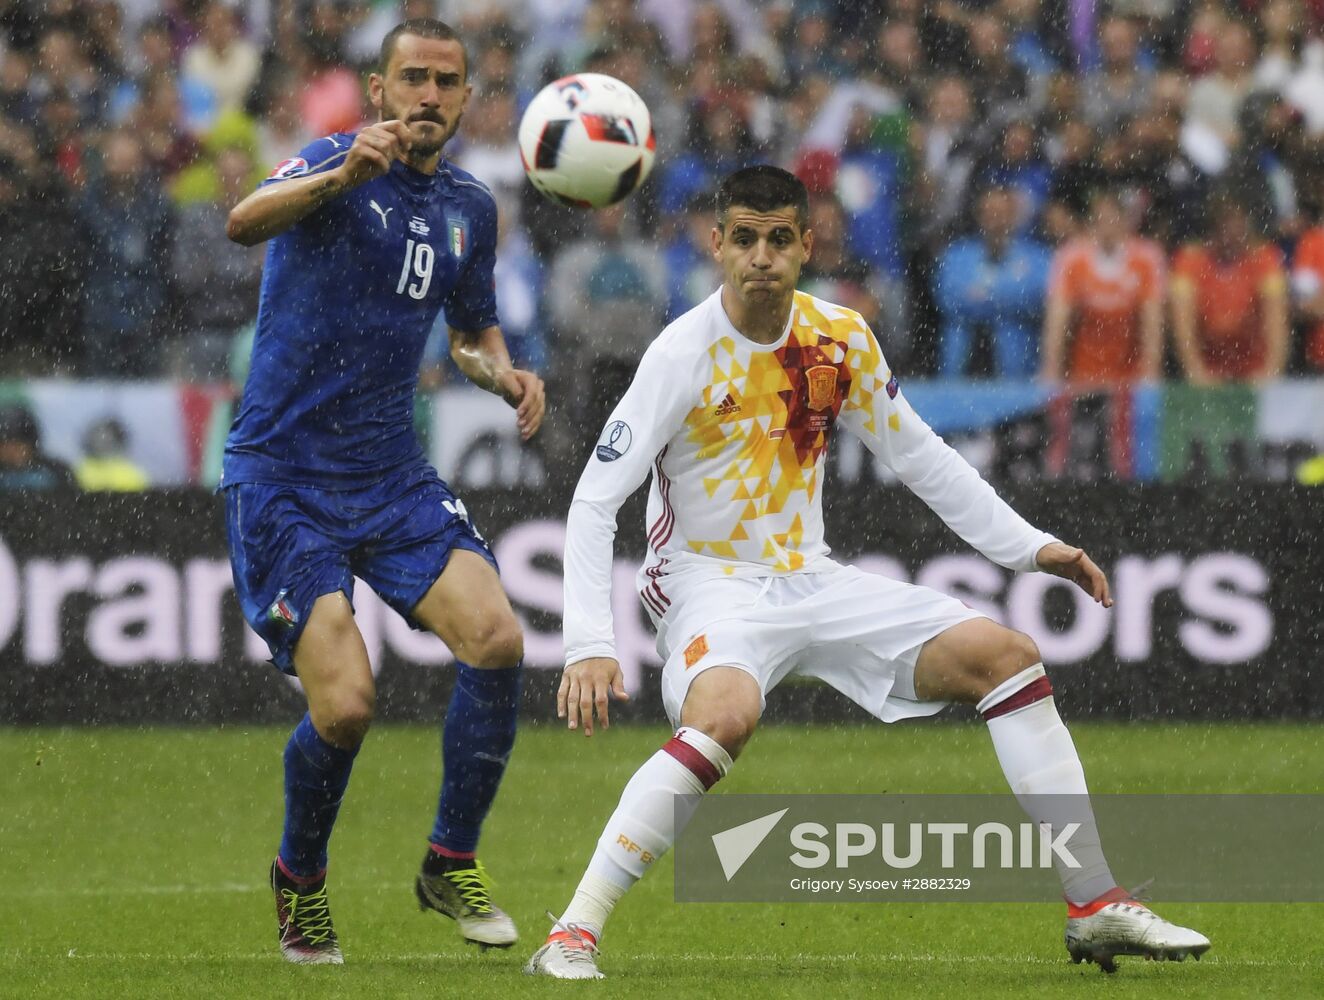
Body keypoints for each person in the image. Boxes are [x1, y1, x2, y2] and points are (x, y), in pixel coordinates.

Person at [525, 166, 1209, 980]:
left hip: (810, 579)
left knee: (1009, 656)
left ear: (808, 245)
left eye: (780, 239)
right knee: (726, 714)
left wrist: (1030, 548)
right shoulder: (682, 353)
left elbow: (920, 457)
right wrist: (588, 643)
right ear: (716, 245)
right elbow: (596, 498)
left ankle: (1095, 904)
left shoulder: (839, 337)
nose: (761, 257)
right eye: (744, 238)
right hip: (708, 586)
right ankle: (572, 933)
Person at [222, 19, 545, 966]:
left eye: (448, 82)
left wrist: (505, 376)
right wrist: (339, 178)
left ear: (467, 97)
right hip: (282, 476)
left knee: (498, 638)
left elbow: (471, 333)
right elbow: (243, 221)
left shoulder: (469, 209)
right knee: (348, 706)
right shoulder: (333, 162)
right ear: (378, 88)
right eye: (413, 78)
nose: (429, 96)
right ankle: (301, 877)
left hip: (389, 473)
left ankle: (450, 859)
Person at [1040, 190, 1165, 383]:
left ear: (1125, 221)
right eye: (1101, 218)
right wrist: (1051, 373)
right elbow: (1057, 321)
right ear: (1091, 222)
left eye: (1112, 218)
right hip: (1083, 376)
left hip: (1130, 378)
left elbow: (1152, 323)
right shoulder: (1071, 257)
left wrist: (1150, 377)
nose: (1107, 225)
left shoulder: (1147, 257)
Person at [1170, 193, 1290, 384]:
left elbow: (1277, 323)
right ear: (1214, 228)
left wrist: (1271, 371)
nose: (1231, 233)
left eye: (1237, 224)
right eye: (1225, 225)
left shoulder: (1265, 259)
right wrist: (1195, 370)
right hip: (1209, 367)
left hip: (1254, 368)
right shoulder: (1190, 261)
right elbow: (1182, 325)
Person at [0, 404, 76, 492]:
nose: (10, 451)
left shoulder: (56, 471)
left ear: (31, 445)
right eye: (4, 445)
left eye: (17, 445)